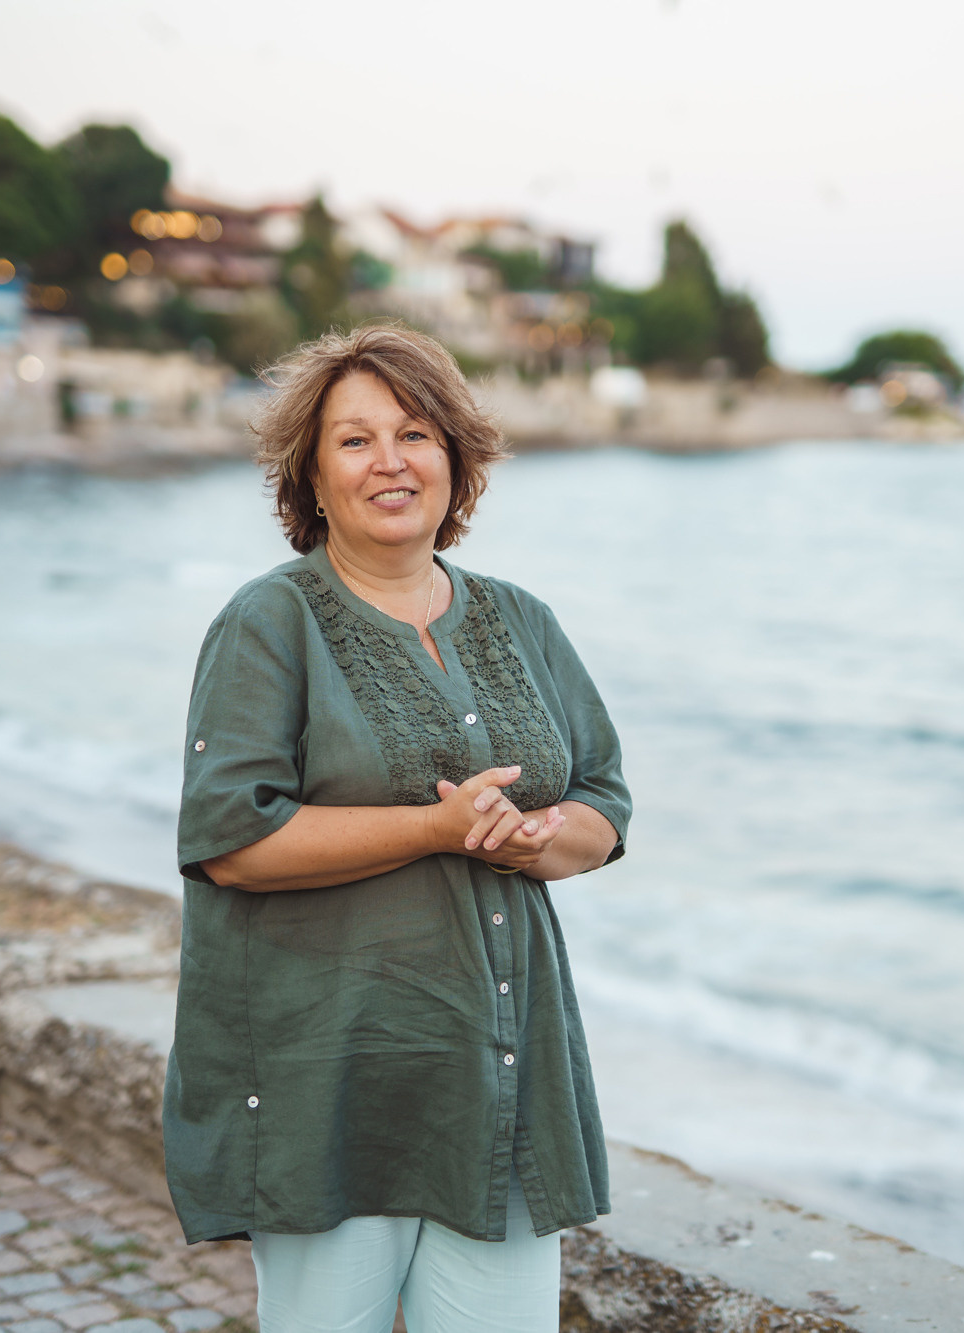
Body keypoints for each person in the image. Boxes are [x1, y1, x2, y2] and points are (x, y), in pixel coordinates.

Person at [163, 325, 631, 1333]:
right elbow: (230, 843)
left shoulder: (521, 619)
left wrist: (534, 837)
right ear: (311, 475)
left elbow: (603, 802)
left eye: (415, 434)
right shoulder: (268, 622)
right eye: (355, 440)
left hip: (501, 1075)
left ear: (456, 460)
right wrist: (435, 828)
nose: (390, 461)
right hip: (331, 1082)